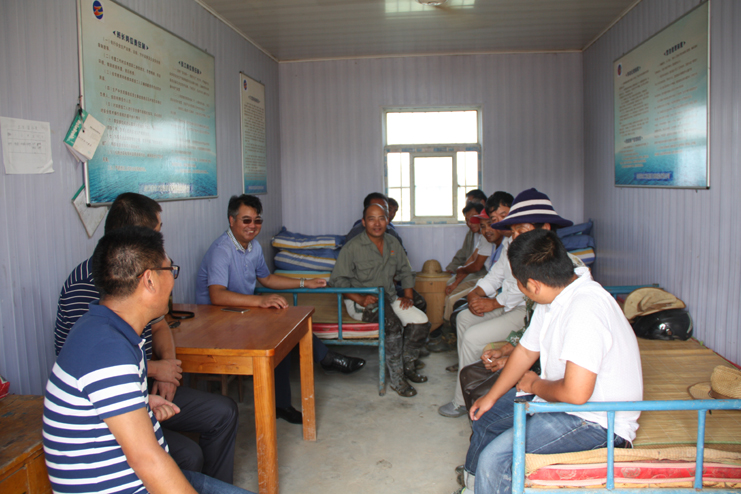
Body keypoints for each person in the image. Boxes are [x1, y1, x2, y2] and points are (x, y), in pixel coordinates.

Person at [43, 226, 254, 494]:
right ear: (150, 280)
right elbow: (148, 461)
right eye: (170, 270)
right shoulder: (108, 351)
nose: (173, 280)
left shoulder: (99, 327)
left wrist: (140, 403)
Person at [460, 228, 643, 494]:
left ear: (533, 285)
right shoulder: (555, 296)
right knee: (486, 419)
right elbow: (526, 351)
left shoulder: (585, 309)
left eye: (519, 284)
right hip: (563, 404)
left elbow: (576, 394)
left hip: (597, 421)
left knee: (496, 459)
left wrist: (534, 385)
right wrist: (491, 396)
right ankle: (473, 486)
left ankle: (486, 483)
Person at [196, 194, 365, 424]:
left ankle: (286, 400)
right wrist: (260, 302)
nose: (252, 226)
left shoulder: (253, 247)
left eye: (257, 221)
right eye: (246, 220)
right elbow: (217, 295)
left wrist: (305, 282)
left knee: (285, 326)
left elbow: (267, 279)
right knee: (279, 330)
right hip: (215, 321)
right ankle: (325, 362)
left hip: (238, 313)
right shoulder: (221, 250)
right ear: (231, 220)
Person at [438, 190, 530, 418]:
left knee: (472, 337)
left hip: (523, 310)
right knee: (463, 317)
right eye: (495, 219)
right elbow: (496, 275)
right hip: (507, 305)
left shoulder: (528, 243)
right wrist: (475, 294)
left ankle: (462, 401)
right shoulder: (509, 242)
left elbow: (523, 289)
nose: (499, 223)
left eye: (503, 215)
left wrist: (494, 303)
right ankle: (469, 378)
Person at [330, 202, 431, 397]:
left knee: (421, 322)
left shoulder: (393, 243)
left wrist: (408, 295)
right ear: (363, 222)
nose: (377, 224)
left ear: (387, 220)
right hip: (362, 302)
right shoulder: (352, 247)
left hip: (388, 296)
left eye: (381, 218)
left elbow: (405, 270)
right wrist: (360, 299)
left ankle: (407, 367)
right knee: (392, 324)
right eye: (371, 219)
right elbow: (337, 281)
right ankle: (397, 379)